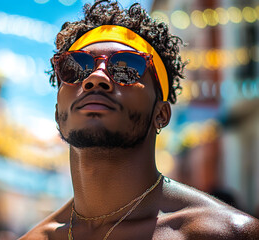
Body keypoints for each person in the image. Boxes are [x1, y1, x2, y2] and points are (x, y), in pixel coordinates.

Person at [20, 0, 259, 239]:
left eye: (126, 68)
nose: (95, 77)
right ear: (57, 114)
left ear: (161, 114)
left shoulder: (224, 234)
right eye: (76, 67)